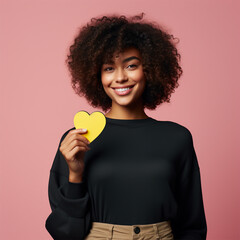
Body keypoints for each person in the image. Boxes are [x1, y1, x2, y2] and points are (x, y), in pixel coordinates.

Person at [45, 13, 207, 240]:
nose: (120, 77)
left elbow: (192, 225)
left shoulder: (177, 138)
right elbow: (66, 233)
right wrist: (75, 173)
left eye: (131, 65)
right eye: (109, 68)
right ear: (96, 75)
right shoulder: (77, 139)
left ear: (150, 69)